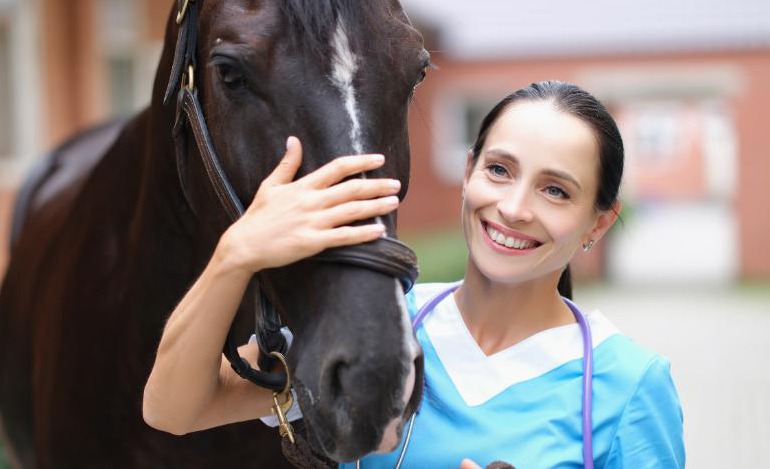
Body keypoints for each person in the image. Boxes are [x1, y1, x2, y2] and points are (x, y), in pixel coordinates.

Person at [143, 81, 685, 468]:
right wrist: (236, 253)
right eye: (499, 170)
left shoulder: (627, 385)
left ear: (599, 222)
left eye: (555, 190)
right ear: (468, 172)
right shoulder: (375, 323)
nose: (515, 207)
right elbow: (175, 407)